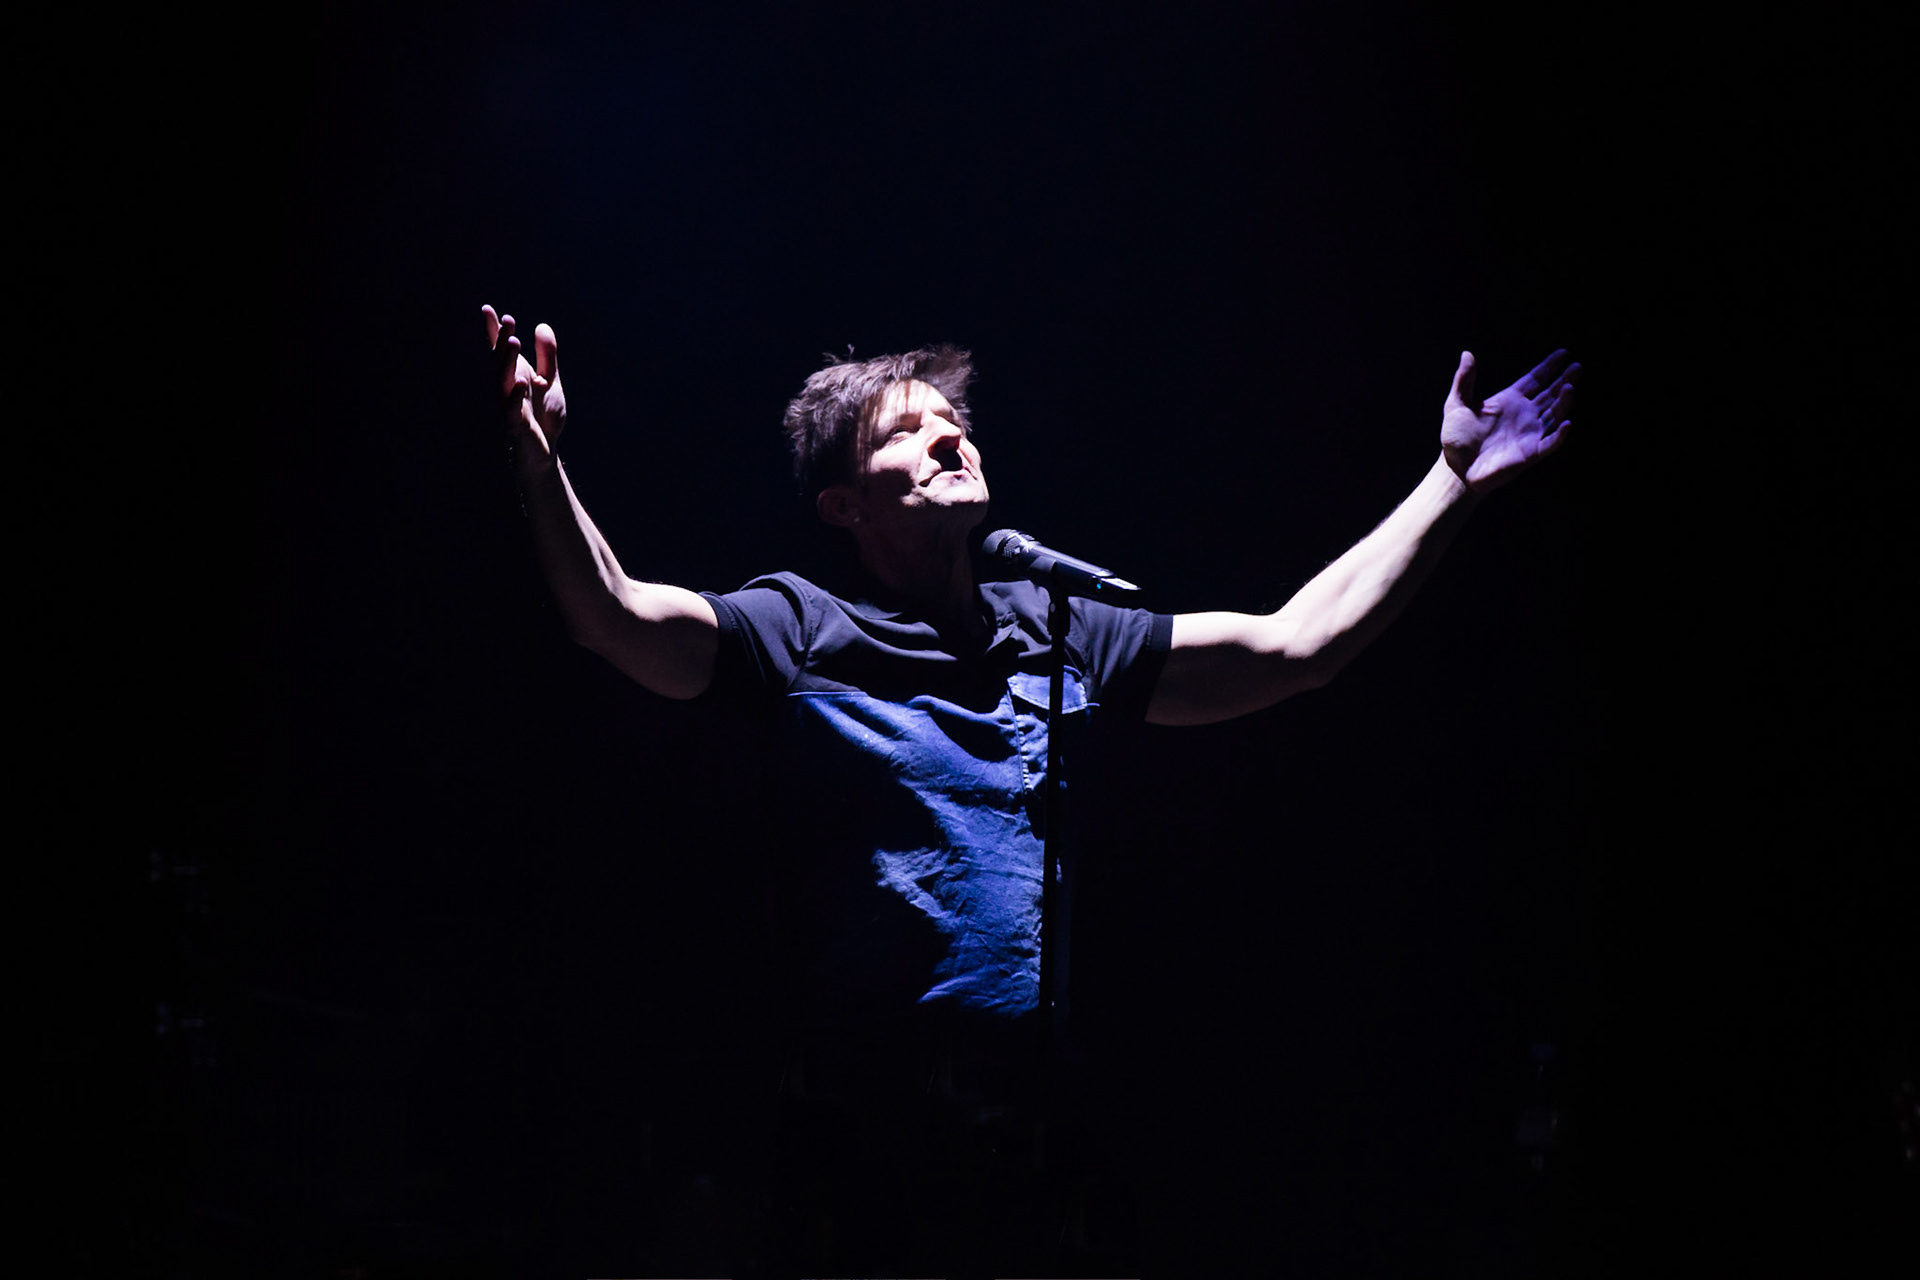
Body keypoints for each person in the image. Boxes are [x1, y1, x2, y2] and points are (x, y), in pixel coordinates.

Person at [480, 304, 1579, 1274]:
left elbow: (1297, 645)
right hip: (865, 1136)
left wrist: (1451, 482)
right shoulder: (802, 627)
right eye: (904, 432)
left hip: (1034, 1136)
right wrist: (542, 468)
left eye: (952, 420)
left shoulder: (1056, 628)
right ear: (844, 507)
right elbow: (616, 616)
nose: (948, 435)